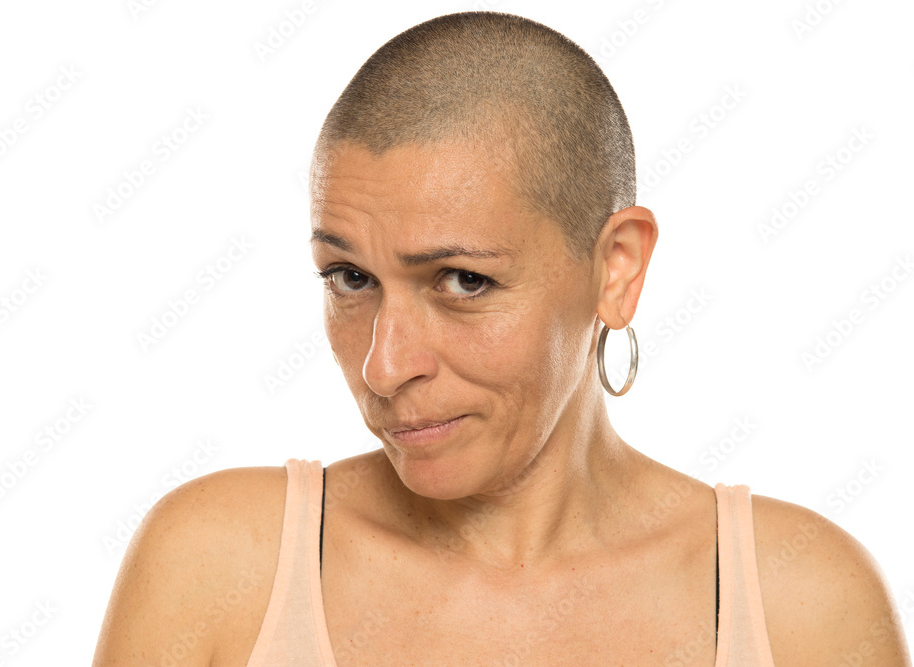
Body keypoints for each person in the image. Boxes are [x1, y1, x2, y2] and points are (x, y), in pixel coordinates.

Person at [92, 11, 912, 666]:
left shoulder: (803, 605)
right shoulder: (218, 567)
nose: (384, 366)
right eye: (350, 277)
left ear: (616, 269)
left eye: (462, 281)